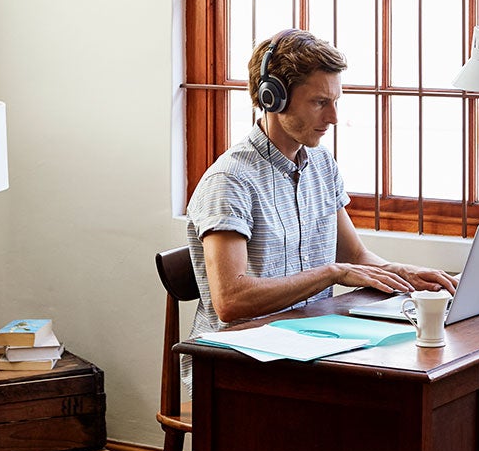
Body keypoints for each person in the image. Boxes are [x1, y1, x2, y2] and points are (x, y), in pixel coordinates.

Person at [185, 29, 457, 356]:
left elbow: (353, 257)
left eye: (335, 101)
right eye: (319, 103)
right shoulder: (230, 181)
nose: (333, 118)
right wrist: (331, 273)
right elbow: (230, 300)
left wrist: (404, 273)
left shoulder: (320, 162)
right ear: (274, 98)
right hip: (240, 365)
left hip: (310, 344)